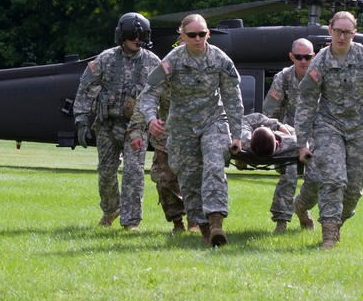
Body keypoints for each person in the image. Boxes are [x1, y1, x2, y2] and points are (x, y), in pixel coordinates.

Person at [294, 11, 363, 250]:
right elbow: (307, 101)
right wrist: (301, 141)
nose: (341, 36)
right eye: (337, 31)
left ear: (354, 33)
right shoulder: (320, 62)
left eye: (347, 32)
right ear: (329, 31)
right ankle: (329, 236)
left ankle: (334, 220)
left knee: (353, 187)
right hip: (328, 125)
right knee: (334, 178)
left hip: (361, 127)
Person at [139, 14, 244, 247]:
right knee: (189, 177)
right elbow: (150, 92)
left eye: (202, 33)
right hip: (182, 126)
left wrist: (237, 134)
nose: (198, 39)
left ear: (208, 34)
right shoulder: (173, 60)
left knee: (214, 163)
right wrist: (150, 119)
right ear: (183, 36)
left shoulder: (220, 59)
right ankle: (205, 229)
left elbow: (233, 99)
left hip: (213, 121)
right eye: (192, 35)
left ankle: (216, 221)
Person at [73, 12, 161, 231]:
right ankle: (111, 209)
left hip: (136, 128)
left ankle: (131, 221)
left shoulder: (153, 63)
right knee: (105, 173)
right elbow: (86, 88)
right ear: (122, 35)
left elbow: (165, 93)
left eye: (141, 35)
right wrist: (82, 120)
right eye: (132, 34)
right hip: (108, 125)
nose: (136, 39)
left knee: (134, 172)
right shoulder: (106, 59)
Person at [262, 38, 315, 233]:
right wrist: (278, 129)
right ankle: (281, 222)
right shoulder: (283, 78)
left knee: (316, 178)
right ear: (291, 57)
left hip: (318, 135)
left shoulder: (321, 76)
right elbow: (268, 113)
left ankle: (301, 208)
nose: (303, 61)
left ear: (313, 56)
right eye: (299, 57)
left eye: (307, 57)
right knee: (290, 174)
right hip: (290, 136)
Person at [128, 84, 193, 234]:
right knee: (165, 183)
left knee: (195, 182)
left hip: (195, 138)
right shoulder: (163, 74)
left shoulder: (203, 71)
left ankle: (195, 222)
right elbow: (143, 103)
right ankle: (177, 222)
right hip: (166, 140)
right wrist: (136, 132)